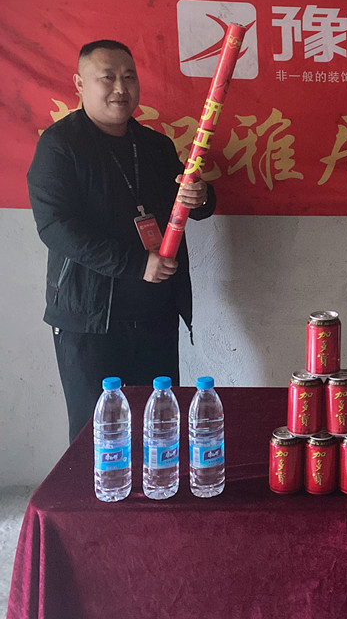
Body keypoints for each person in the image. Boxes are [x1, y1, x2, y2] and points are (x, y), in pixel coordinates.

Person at [27, 40, 216, 442]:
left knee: (159, 430)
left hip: (154, 315)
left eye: (129, 76)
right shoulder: (60, 146)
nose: (120, 87)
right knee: (97, 437)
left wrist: (200, 197)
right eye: (108, 77)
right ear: (80, 83)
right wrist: (135, 263)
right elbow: (55, 226)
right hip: (90, 322)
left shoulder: (154, 145)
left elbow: (187, 201)